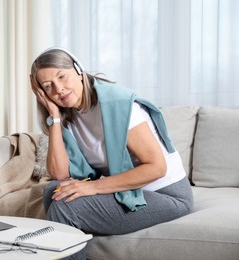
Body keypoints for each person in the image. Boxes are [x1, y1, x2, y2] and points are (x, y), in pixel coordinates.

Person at [30, 47, 194, 259]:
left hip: (166, 194)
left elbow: (157, 168)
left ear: (79, 71)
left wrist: (94, 187)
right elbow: (59, 174)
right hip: (132, 190)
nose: (59, 89)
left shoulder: (119, 105)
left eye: (62, 77)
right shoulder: (69, 117)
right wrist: (54, 116)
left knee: (66, 208)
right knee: (54, 190)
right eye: (48, 86)